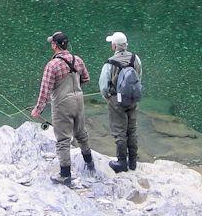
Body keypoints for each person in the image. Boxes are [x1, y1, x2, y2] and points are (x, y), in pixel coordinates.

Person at [31, 31, 95, 186]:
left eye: (52, 43)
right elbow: (86, 78)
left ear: (54, 45)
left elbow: (45, 91)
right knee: (81, 133)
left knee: (63, 140)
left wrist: (37, 110)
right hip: (79, 101)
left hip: (62, 105)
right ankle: (90, 164)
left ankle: (65, 175)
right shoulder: (77, 59)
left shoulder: (52, 65)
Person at [99, 31, 143, 173]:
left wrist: (107, 97)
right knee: (132, 129)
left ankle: (122, 162)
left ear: (114, 46)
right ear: (126, 45)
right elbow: (139, 78)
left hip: (116, 100)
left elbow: (104, 87)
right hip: (133, 99)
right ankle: (133, 162)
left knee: (119, 131)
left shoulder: (110, 63)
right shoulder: (136, 58)